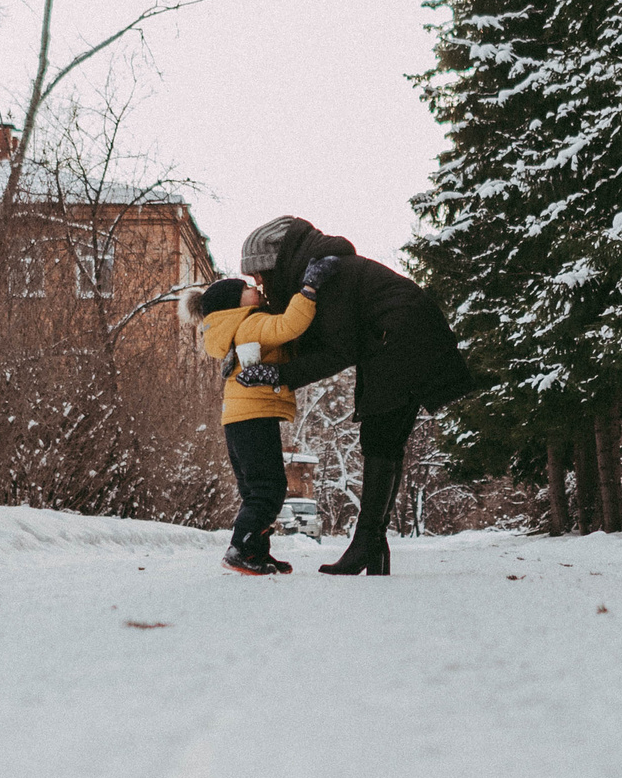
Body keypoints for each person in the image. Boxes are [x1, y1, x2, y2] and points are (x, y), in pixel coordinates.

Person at [234, 217, 481, 576]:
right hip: (393, 337)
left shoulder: (331, 276)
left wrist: (280, 375)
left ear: (276, 263)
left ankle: (367, 543)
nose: (257, 282)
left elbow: (338, 350)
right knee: (384, 440)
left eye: (258, 273)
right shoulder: (321, 273)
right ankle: (372, 546)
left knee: (381, 437)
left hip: (400, 337)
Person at [196, 256, 338, 575]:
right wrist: (310, 287)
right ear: (234, 302)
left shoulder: (233, 329)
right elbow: (289, 325)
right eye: (246, 287)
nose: (253, 286)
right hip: (254, 416)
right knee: (269, 488)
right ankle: (242, 549)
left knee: (255, 489)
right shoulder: (250, 322)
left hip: (239, 419)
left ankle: (257, 552)